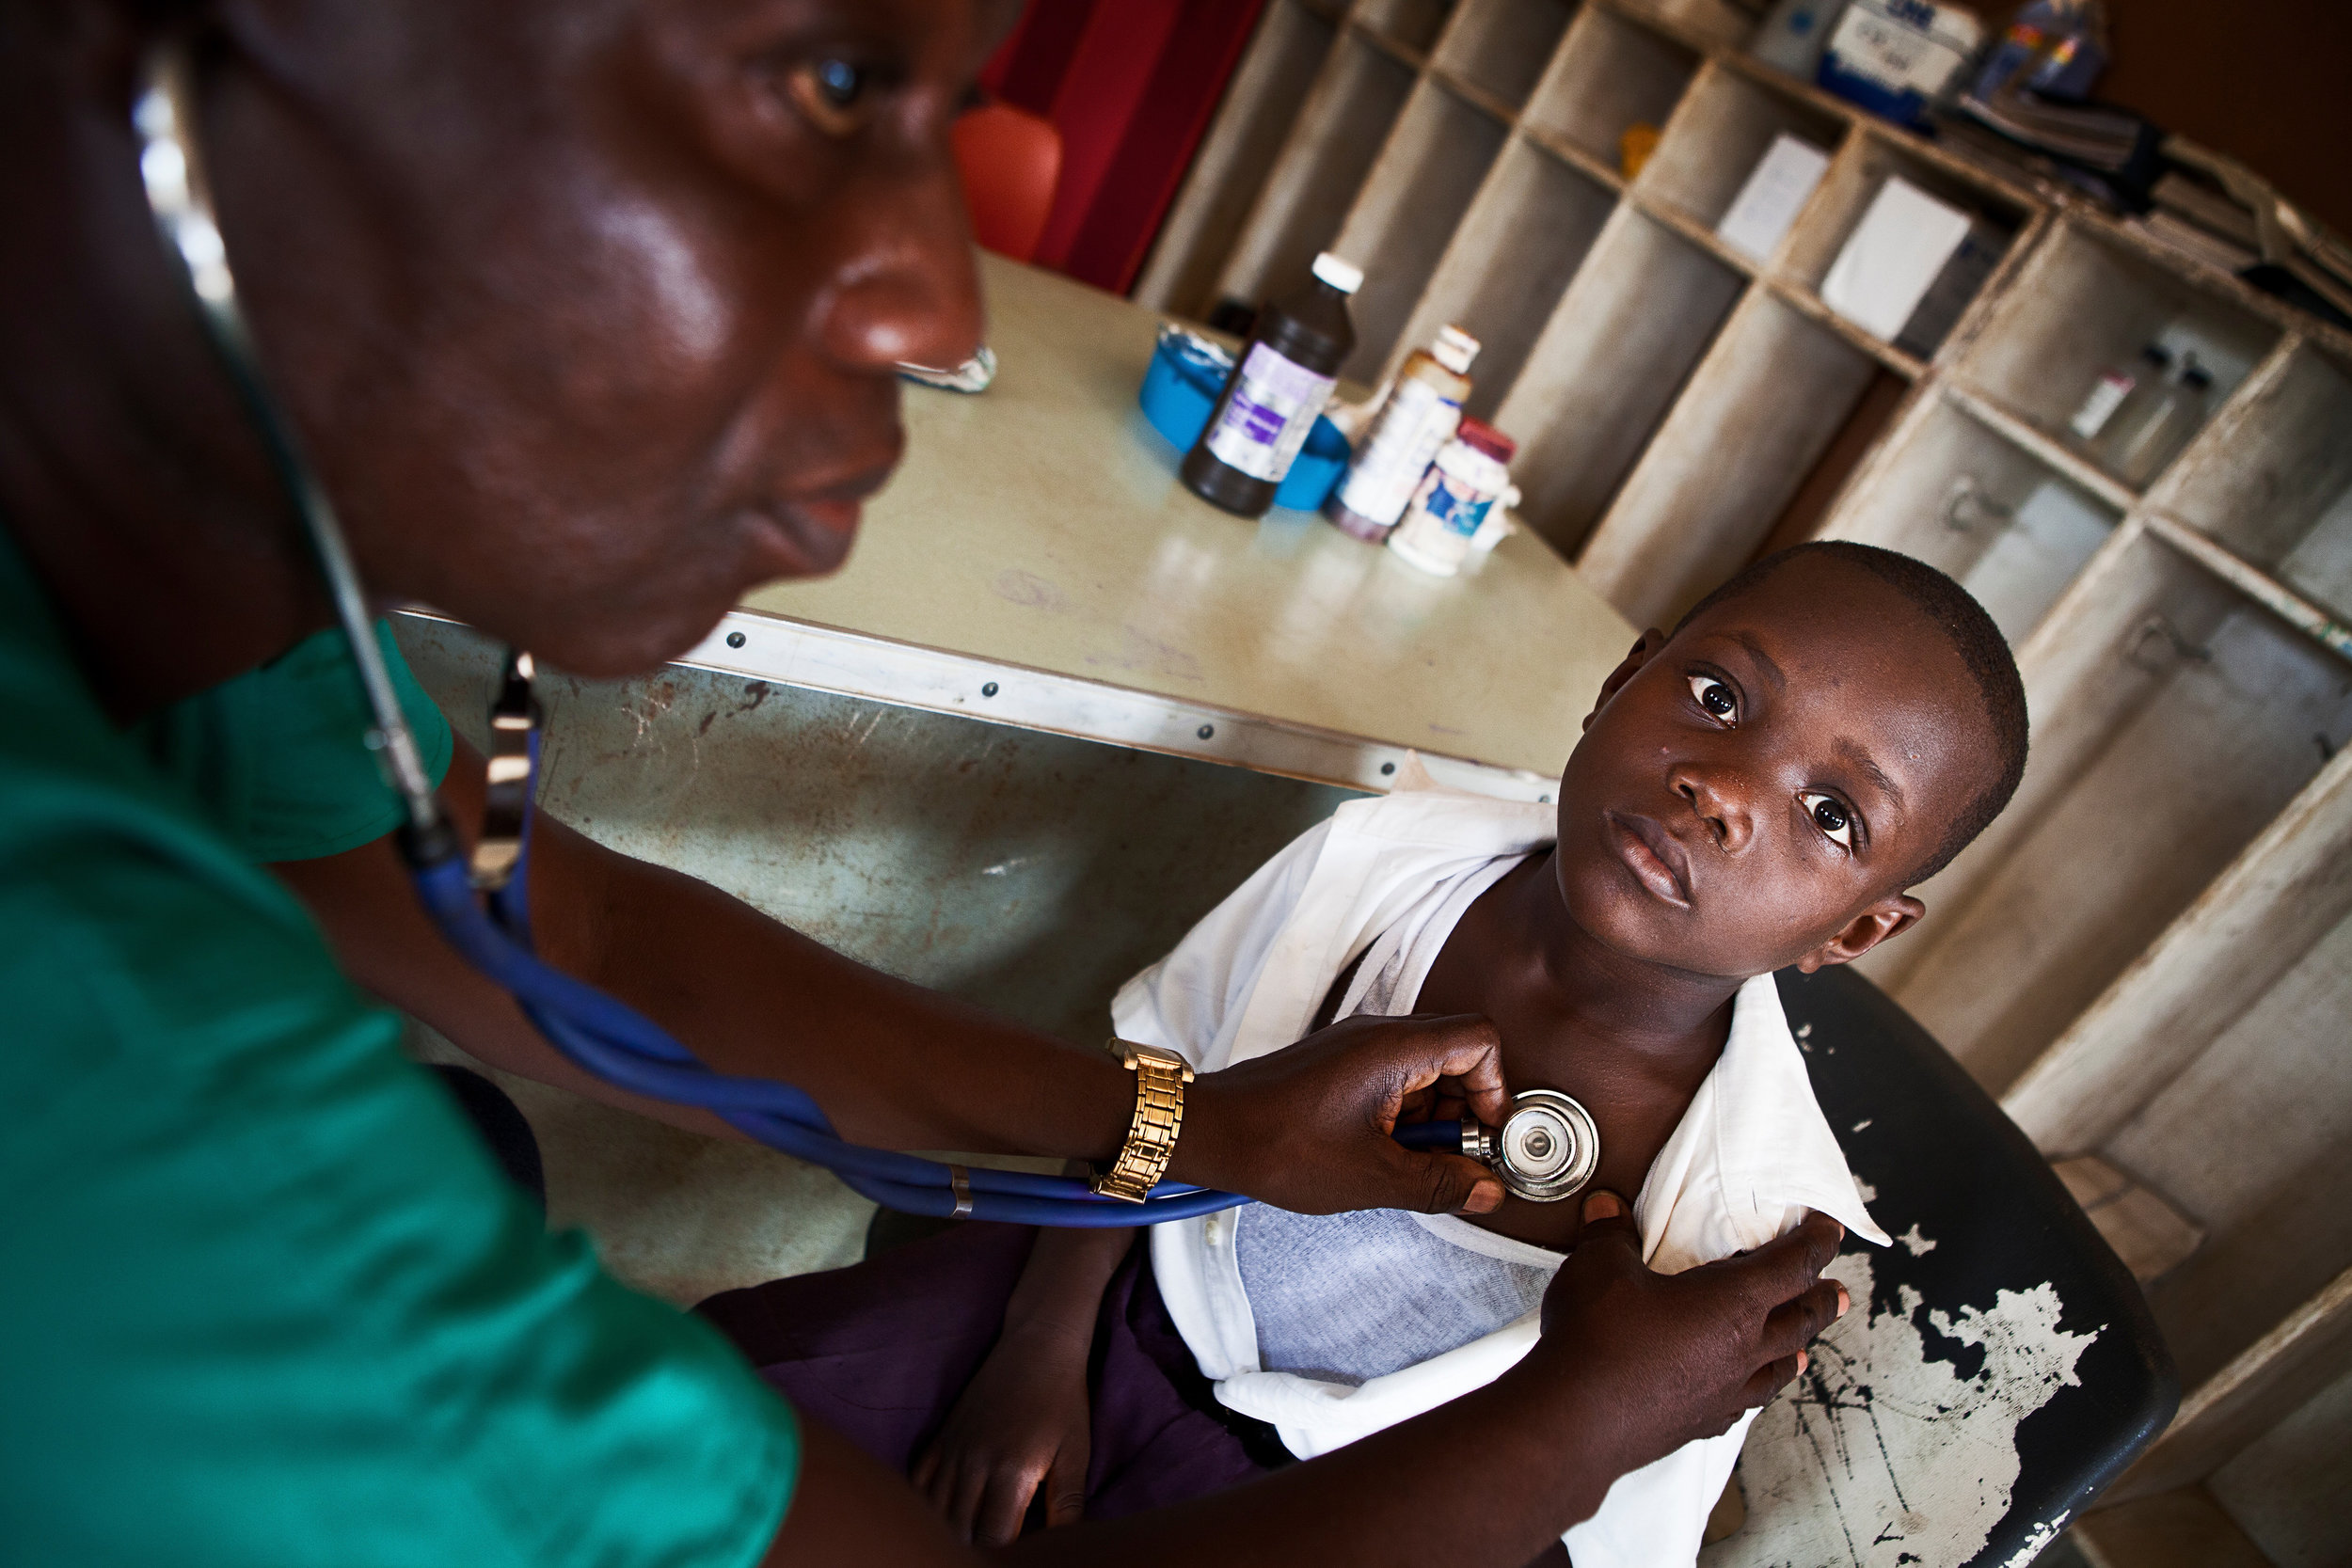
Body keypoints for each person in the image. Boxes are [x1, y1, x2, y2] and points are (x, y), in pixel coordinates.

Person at [0, 0, 1846, 1562]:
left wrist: (1198, 1134)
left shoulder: (254, 662)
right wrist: (1577, 1421)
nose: (930, 299)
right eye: (822, 84)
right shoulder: (134, 1076)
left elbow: (575, 930)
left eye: (935, 119)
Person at [709, 544, 2030, 1564]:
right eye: (1716, 694)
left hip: (1358, 1514)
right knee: (710, 1435)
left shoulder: (1750, 1219)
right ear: (1620, 679)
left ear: (1856, 929)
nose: (1726, 789)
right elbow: (1158, 1070)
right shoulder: (1385, 860)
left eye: (1833, 814)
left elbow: (1588, 1523)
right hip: (1107, 1289)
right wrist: (1039, 1357)